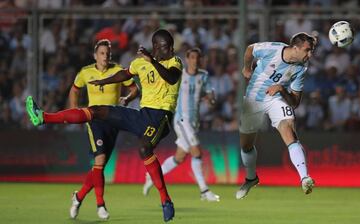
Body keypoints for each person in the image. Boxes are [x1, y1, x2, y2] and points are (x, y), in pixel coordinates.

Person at [26, 29, 182, 222]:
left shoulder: (174, 62)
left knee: (144, 148)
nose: (171, 50)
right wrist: (103, 81)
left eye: (171, 46)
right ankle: (43, 117)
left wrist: (153, 61)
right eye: (167, 47)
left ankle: (165, 200)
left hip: (161, 117)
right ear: (156, 47)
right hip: (141, 115)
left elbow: (172, 78)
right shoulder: (140, 63)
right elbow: (124, 75)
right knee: (96, 111)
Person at [236, 32, 316, 200]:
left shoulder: (301, 69)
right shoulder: (273, 49)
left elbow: (294, 102)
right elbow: (250, 49)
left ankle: (305, 177)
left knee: (289, 130)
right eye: (307, 50)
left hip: (276, 99)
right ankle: (251, 178)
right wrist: (246, 68)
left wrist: (281, 89)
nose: (310, 55)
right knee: (246, 146)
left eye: (312, 51)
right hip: (254, 99)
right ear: (295, 48)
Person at [66, 39, 138, 220]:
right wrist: (75, 112)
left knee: (99, 167)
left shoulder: (117, 71)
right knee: (100, 159)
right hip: (94, 119)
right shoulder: (86, 72)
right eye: (102, 53)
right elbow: (74, 90)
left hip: (114, 121)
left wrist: (127, 99)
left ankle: (78, 197)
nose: (105, 56)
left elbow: (134, 88)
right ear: (95, 55)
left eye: (107, 53)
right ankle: (100, 205)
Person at [142, 48, 220, 202]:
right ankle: (204, 191)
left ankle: (152, 176)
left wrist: (210, 100)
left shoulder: (203, 76)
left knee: (179, 157)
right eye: (192, 58)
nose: (195, 61)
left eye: (198, 58)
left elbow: (210, 95)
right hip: (181, 120)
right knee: (197, 152)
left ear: (200, 59)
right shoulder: (179, 75)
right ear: (187, 59)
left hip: (194, 122)